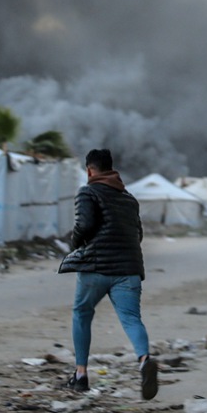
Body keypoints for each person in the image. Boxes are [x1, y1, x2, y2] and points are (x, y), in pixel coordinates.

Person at [58, 148, 158, 400]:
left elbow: (85, 225)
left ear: (90, 170)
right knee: (131, 318)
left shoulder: (87, 191)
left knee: (82, 313)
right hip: (129, 269)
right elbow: (139, 234)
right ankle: (144, 359)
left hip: (97, 267)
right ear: (112, 169)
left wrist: (75, 244)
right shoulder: (129, 199)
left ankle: (80, 375)